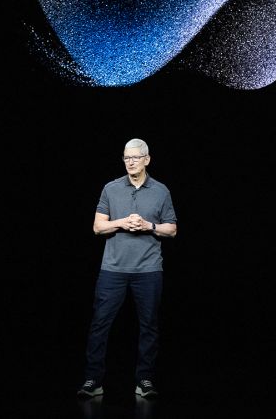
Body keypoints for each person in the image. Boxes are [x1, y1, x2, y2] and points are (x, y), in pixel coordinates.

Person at [77, 139, 177, 400]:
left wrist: (148, 226)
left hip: (149, 270)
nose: (130, 162)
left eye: (135, 157)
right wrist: (122, 222)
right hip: (113, 269)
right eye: (126, 157)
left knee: (149, 326)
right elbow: (98, 227)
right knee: (100, 324)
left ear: (147, 159)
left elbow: (172, 229)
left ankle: (144, 379)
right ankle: (93, 380)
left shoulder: (161, 191)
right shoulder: (111, 188)